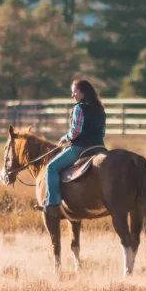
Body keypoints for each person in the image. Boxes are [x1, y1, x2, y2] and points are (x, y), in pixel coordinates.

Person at [35, 79, 106, 217]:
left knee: (51, 168)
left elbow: (76, 131)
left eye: (75, 92)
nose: (73, 95)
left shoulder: (79, 108)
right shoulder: (100, 109)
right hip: (99, 148)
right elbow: (103, 132)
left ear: (83, 93)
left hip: (80, 148)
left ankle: (52, 204)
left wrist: (65, 138)